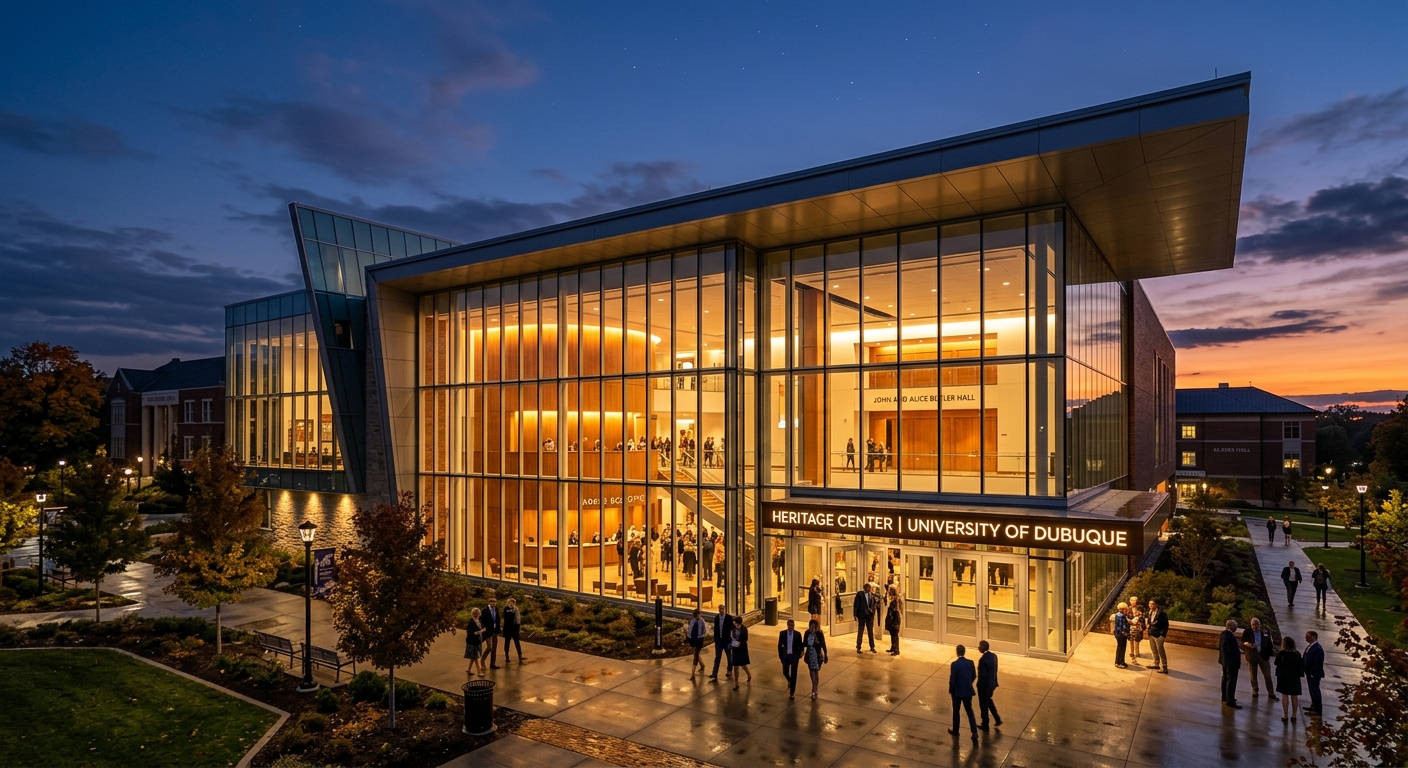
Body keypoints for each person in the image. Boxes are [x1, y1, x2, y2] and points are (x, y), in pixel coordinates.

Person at [947, 644, 979, 742]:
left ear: (957, 652)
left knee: (956, 711)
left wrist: (951, 689)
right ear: (964, 652)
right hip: (968, 690)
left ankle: (956, 730)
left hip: (957, 692)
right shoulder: (970, 663)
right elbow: (974, 676)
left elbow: (953, 679)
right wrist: (968, 684)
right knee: (969, 711)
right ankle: (974, 732)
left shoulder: (954, 664)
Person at [1240, 617, 1277, 700]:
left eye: (1256, 624)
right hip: (1252, 656)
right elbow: (1242, 642)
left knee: (1267, 675)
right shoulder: (1247, 632)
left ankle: (1271, 692)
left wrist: (1268, 653)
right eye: (1253, 625)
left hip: (1263, 657)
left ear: (1259, 625)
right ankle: (1255, 690)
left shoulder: (1265, 632)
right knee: (1253, 675)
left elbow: (1270, 644)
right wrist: (1248, 645)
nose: (1255, 626)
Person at [1274, 636, 1304, 724]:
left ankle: (1285, 714)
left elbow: (1276, 662)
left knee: (1285, 695)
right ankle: (1294, 715)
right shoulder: (1297, 654)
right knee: (1294, 696)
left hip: (1284, 676)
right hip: (1294, 677)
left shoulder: (1282, 653)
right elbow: (1301, 664)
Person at [976, 640, 1001, 730]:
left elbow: (982, 675)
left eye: (979, 646)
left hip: (984, 686)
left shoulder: (983, 660)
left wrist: (978, 685)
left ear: (983, 648)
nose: (978, 648)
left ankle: (985, 724)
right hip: (992, 684)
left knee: (983, 704)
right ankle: (997, 718)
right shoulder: (994, 656)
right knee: (988, 700)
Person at [1219, 619, 1243, 709]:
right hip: (1231, 663)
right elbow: (1232, 651)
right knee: (1231, 681)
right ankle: (1230, 701)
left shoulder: (1223, 634)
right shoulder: (1230, 637)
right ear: (1233, 627)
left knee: (1225, 678)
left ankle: (1224, 696)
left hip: (1224, 661)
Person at [778, 619, 804, 699]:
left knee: (794, 673)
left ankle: (792, 692)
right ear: (787, 625)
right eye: (789, 625)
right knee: (785, 671)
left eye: (792, 625)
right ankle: (790, 681)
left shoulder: (797, 634)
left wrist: (801, 652)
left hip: (794, 656)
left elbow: (800, 645)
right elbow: (779, 646)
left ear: (794, 626)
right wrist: (781, 656)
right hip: (786, 656)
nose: (790, 627)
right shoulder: (782, 634)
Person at [803, 619, 828, 699]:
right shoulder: (807, 633)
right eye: (811, 626)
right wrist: (801, 651)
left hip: (816, 655)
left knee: (816, 671)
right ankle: (814, 688)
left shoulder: (819, 634)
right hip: (810, 655)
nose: (812, 628)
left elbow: (823, 644)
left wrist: (825, 654)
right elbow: (804, 644)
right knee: (811, 671)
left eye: (814, 627)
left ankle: (815, 688)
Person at [1303, 631, 1325, 717]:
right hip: (1310, 673)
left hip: (1314, 674)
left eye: (1308, 637)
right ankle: (1313, 706)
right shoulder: (1311, 646)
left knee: (1315, 691)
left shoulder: (1317, 649)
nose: (1306, 638)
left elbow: (1318, 663)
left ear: (1313, 637)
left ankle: (1317, 709)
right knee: (1312, 690)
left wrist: (1312, 673)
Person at [709, 604, 733, 682]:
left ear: (725, 609)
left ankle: (729, 670)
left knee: (729, 657)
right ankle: (714, 674)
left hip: (726, 641)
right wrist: (716, 639)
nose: (721, 610)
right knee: (717, 658)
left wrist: (730, 639)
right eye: (720, 609)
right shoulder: (716, 618)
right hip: (719, 641)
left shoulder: (729, 618)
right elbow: (716, 629)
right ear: (718, 609)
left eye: (723, 609)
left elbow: (731, 628)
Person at [1146, 598, 1169, 674]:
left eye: (1153, 604)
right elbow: (1150, 622)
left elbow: (1166, 625)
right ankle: (1156, 664)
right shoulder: (1149, 612)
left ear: (1156, 605)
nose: (1151, 605)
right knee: (1154, 650)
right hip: (1151, 634)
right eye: (1150, 604)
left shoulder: (1161, 613)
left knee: (1160, 650)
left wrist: (1162, 635)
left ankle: (1164, 667)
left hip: (1158, 635)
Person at [853, 583, 877, 653]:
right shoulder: (859, 594)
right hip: (862, 616)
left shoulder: (872, 595)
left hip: (869, 616)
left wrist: (872, 611)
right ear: (864, 588)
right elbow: (856, 604)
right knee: (860, 631)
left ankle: (872, 647)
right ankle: (858, 647)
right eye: (867, 588)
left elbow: (874, 604)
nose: (868, 590)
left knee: (870, 631)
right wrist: (855, 615)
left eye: (869, 588)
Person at [730, 616, 752, 690]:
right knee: (735, 666)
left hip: (741, 648)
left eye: (735, 622)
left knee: (743, 664)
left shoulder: (744, 629)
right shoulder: (733, 628)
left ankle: (749, 674)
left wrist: (738, 642)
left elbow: (745, 639)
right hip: (735, 648)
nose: (734, 623)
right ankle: (736, 683)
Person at [464, 607, 486, 677]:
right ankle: (479, 671)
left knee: (473, 657)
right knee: (476, 657)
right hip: (472, 642)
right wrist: (481, 631)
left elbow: (481, 627)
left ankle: (469, 669)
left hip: (478, 641)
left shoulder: (478, 620)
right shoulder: (471, 622)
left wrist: (481, 630)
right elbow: (473, 633)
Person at [501, 597, 524, 664]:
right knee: (507, 643)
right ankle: (507, 656)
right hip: (508, 629)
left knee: (517, 643)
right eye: (509, 603)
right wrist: (511, 613)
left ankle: (520, 656)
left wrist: (517, 629)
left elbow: (518, 621)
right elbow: (507, 619)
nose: (510, 604)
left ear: (514, 603)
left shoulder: (516, 610)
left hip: (515, 630)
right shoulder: (506, 609)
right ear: (507, 603)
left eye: (512, 603)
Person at [687, 608, 708, 679]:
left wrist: (701, 637)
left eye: (699, 614)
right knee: (696, 654)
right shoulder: (692, 621)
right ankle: (702, 665)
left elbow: (704, 631)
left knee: (695, 656)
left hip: (699, 640)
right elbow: (689, 631)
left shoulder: (702, 621)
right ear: (695, 616)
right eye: (697, 615)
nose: (699, 616)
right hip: (693, 640)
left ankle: (692, 674)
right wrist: (689, 639)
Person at [483, 597, 502, 670]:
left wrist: (498, 629)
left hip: (494, 631)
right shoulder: (485, 611)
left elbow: (498, 620)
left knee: (494, 648)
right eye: (492, 602)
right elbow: (483, 621)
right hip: (488, 632)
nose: (493, 603)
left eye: (494, 602)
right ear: (489, 602)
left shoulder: (496, 609)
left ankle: (493, 664)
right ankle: (482, 661)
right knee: (489, 647)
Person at [884, 586, 903, 655]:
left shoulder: (895, 600)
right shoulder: (896, 598)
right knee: (893, 635)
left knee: (894, 635)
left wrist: (890, 620)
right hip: (895, 619)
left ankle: (896, 650)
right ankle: (893, 647)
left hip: (894, 620)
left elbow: (894, 611)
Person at [1128, 597, 1146, 663]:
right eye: (1132, 600)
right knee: (1131, 639)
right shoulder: (1128, 609)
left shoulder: (1140, 608)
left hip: (1138, 626)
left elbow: (1143, 616)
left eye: (1134, 601)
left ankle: (1137, 652)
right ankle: (1132, 652)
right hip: (1131, 626)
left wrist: (1139, 618)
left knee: (1137, 639)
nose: (1133, 602)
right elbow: (1126, 616)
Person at [1113, 602, 1130, 668]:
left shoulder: (1117, 615)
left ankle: (1120, 661)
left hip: (1117, 634)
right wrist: (1126, 633)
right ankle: (1119, 662)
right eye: (1126, 609)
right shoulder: (1122, 616)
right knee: (1121, 648)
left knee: (1120, 648)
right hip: (1121, 635)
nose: (1126, 610)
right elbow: (1121, 626)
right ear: (1122, 609)